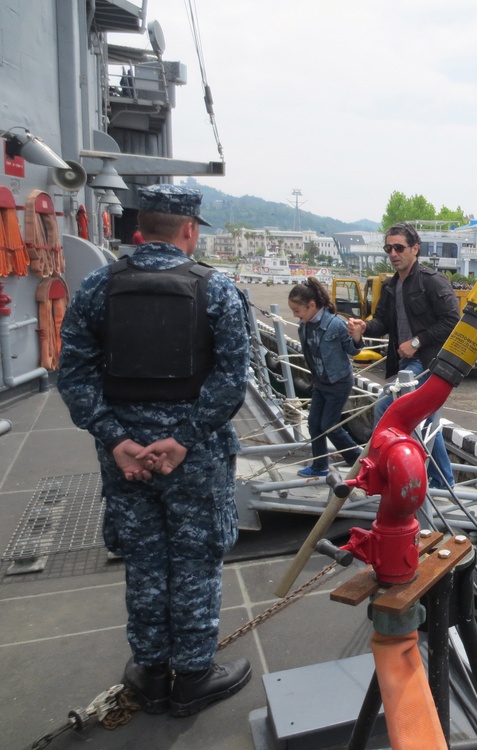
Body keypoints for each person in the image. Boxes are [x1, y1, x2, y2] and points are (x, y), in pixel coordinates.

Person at [57, 185, 252, 717]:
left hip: (124, 459)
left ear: (140, 229)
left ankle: (148, 670)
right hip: (195, 460)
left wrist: (118, 440)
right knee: (194, 559)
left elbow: (72, 374)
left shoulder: (98, 286)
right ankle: (192, 675)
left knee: (143, 556)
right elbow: (232, 382)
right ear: (190, 231)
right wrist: (183, 438)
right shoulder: (217, 290)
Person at [347, 222, 459, 489]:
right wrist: (364, 327)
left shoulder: (432, 281)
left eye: (399, 247)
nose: (393, 253)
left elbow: (452, 320)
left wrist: (417, 342)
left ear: (415, 249)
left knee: (388, 406)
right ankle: (444, 482)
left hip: (430, 363)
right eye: (389, 248)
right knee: (426, 420)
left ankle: (380, 469)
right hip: (409, 364)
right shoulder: (390, 285)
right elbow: (383, 323)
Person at [289, 277, 362, 477]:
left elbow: (352, 350)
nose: (296, 315)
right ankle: (320, 465)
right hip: (321, 382)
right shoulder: (303, 326)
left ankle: (357, 460)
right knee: (314, 424)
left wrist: (356, 336)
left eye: (297, 311)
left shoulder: (335, 324)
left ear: (312, 305)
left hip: (338, 382)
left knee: (329, 425)